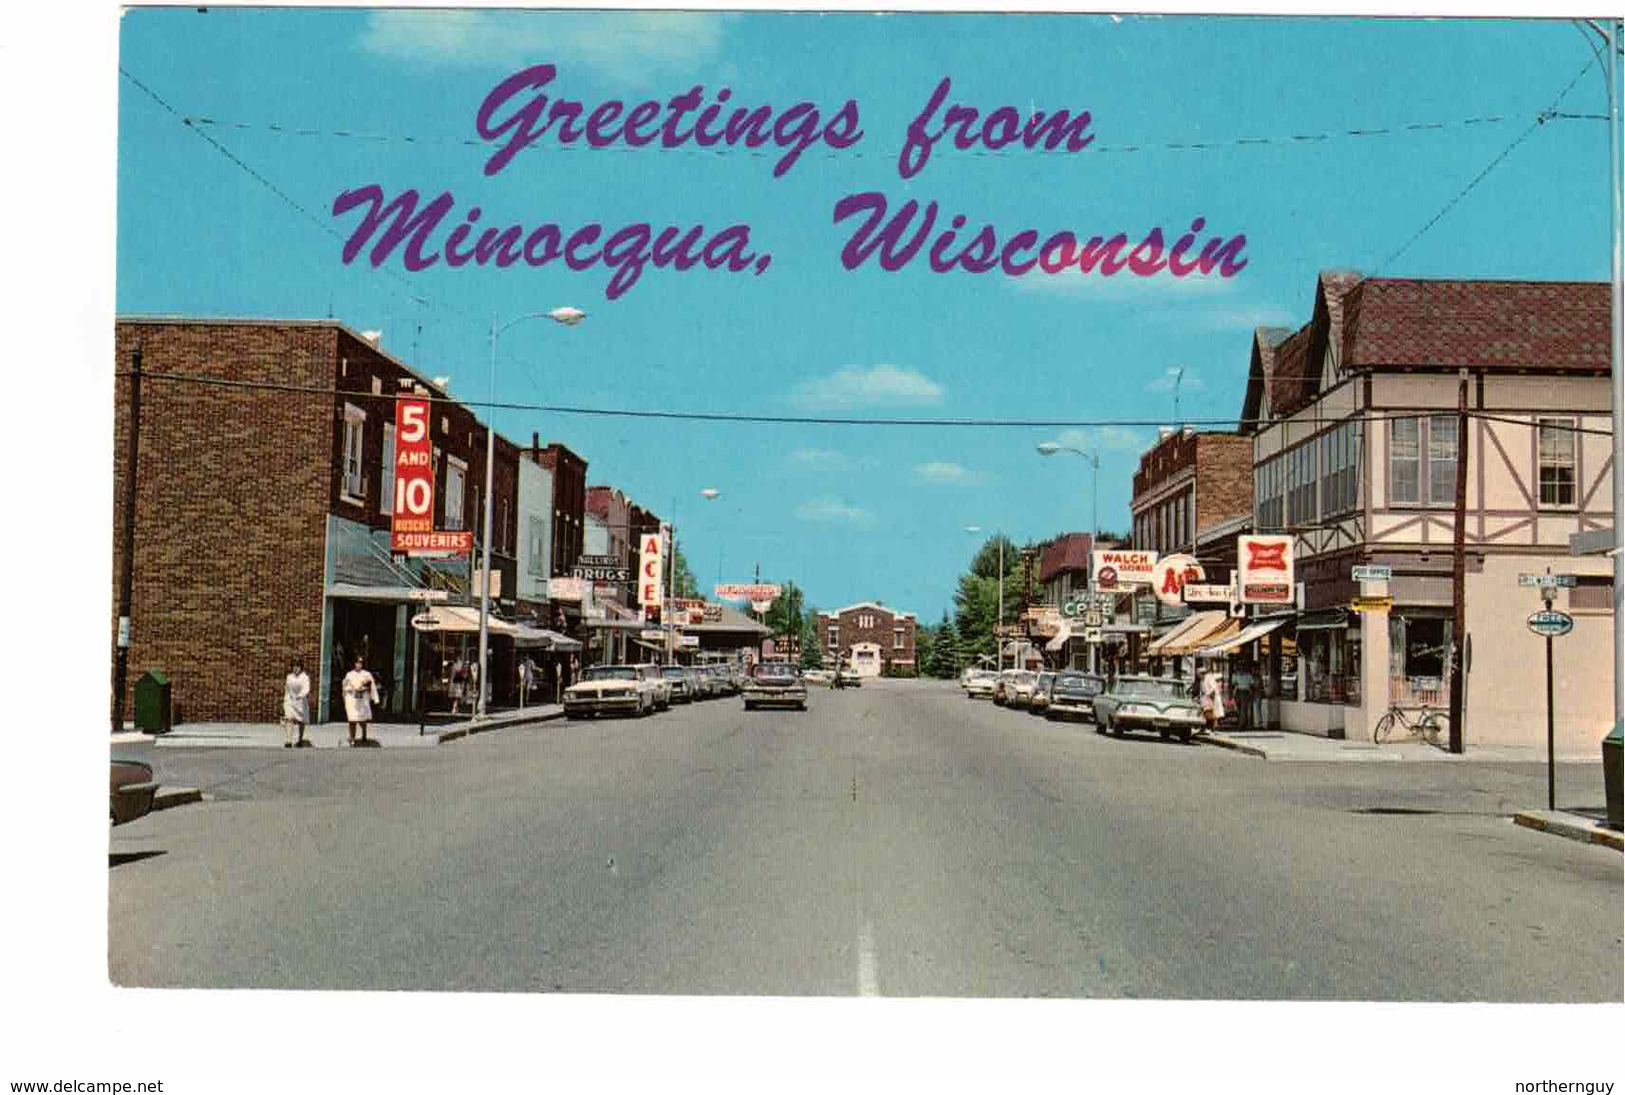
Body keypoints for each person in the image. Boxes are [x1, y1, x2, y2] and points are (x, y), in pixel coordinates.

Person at [342, 655, 380, 746]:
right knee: (352, 719)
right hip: (352, 699)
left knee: (362, 719)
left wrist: (374, 698)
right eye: (357, 663)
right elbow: (344, 686)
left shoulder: (366, 674)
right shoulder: (349, 674)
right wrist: (350, 689)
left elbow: (372, 686)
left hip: (362, 699)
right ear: (354, 664)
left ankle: (364, 734)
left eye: (360, 663)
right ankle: (352, 738)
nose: (359, 665)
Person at [282, 657, 311, 748]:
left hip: (301, 702)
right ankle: (289, 740)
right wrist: (286, 699)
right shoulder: (289, 677)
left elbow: (306, 689)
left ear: (301, 667)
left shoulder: (304, 677)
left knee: (301, 722)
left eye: (298, 666)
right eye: (294, 666)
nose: (296, 668)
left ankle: (300, 739)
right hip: (290, 701)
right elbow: (287, 689)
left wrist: (301, 695)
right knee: (289, 718)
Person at [1231, 661, 1258, 730]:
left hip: (1243, 692)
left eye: (1242, 667)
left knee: (1243, 709)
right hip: (1241, 692)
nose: (1241, 669)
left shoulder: (1244, 675)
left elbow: (1234, 684)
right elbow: (1252, 684)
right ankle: (1242, 723)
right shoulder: (1239, 675)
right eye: (1240, 667)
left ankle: (1241, 725)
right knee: (1241, 709)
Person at [1199, 665, 1225, 734]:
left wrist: (1208, 694)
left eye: (1200, 674)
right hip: (1206, 698)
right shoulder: (1202, 680)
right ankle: (1207, 728)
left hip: (1212, 698)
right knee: (1206, 713)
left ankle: (1212, 728)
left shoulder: (1208, 678)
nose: (1199, 676)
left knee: (1212, 713)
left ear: (1202, 673)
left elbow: (1213, 688)